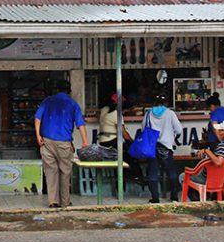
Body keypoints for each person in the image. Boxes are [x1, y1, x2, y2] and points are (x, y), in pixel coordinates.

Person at [35, 80, 89, 208]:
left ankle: (53, 201)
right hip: (64, 144)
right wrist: (85, 141)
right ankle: (65, 202)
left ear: (56, 89)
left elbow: (37, 118)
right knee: (65, 173)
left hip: (47, 141)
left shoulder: (47, 101)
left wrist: (38, 136)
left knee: (50, 172)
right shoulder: (72, 104)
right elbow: (80, 124)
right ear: (69, 91)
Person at [97, 93, 144, 186]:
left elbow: (98, 115)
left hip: (102, 142)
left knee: (123, 156)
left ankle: (124, 181)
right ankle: (137, 177)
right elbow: (124, 134)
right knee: (131, 155)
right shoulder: (116, 114)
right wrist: (133, 143)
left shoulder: (104, 110)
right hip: (111, 141)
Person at [143, 95, 182, 204]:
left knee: (153, 173)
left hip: (152, 147)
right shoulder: (170, 114)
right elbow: (179, 130)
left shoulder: (148, 114)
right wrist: (172, 136)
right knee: (171, 173)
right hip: (166, 146)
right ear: (165, 104)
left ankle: (155, 198)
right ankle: (174, 197)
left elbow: (143, 129)